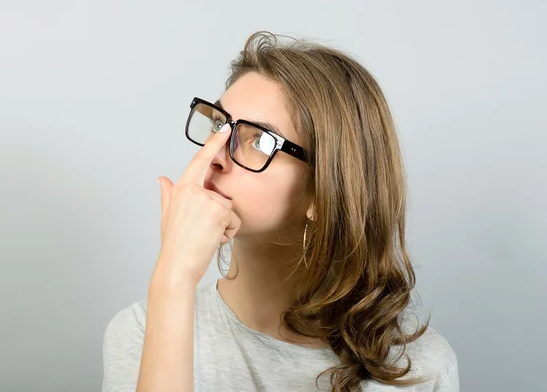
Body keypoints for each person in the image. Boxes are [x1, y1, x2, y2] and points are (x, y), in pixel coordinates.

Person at [101, 31, 459, 392]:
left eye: (259, 140)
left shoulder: (418, 371)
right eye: (218, 125)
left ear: (324, 190)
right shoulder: (144, 329)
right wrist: (173, 279)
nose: (214, 155)